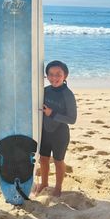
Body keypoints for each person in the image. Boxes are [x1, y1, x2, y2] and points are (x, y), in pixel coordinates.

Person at [36, 60, 77, 197]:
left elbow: (72, 119)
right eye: (51, 74)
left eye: (58, 74)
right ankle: (44, 183)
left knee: (58, 161)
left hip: (60, 134)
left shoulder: (67, 94)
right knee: (43, 158)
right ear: (46, 76)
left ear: (65, 75)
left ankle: (58, 187)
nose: (54, 77)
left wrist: (52, 113)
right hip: (44, 132)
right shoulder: (45, 91)